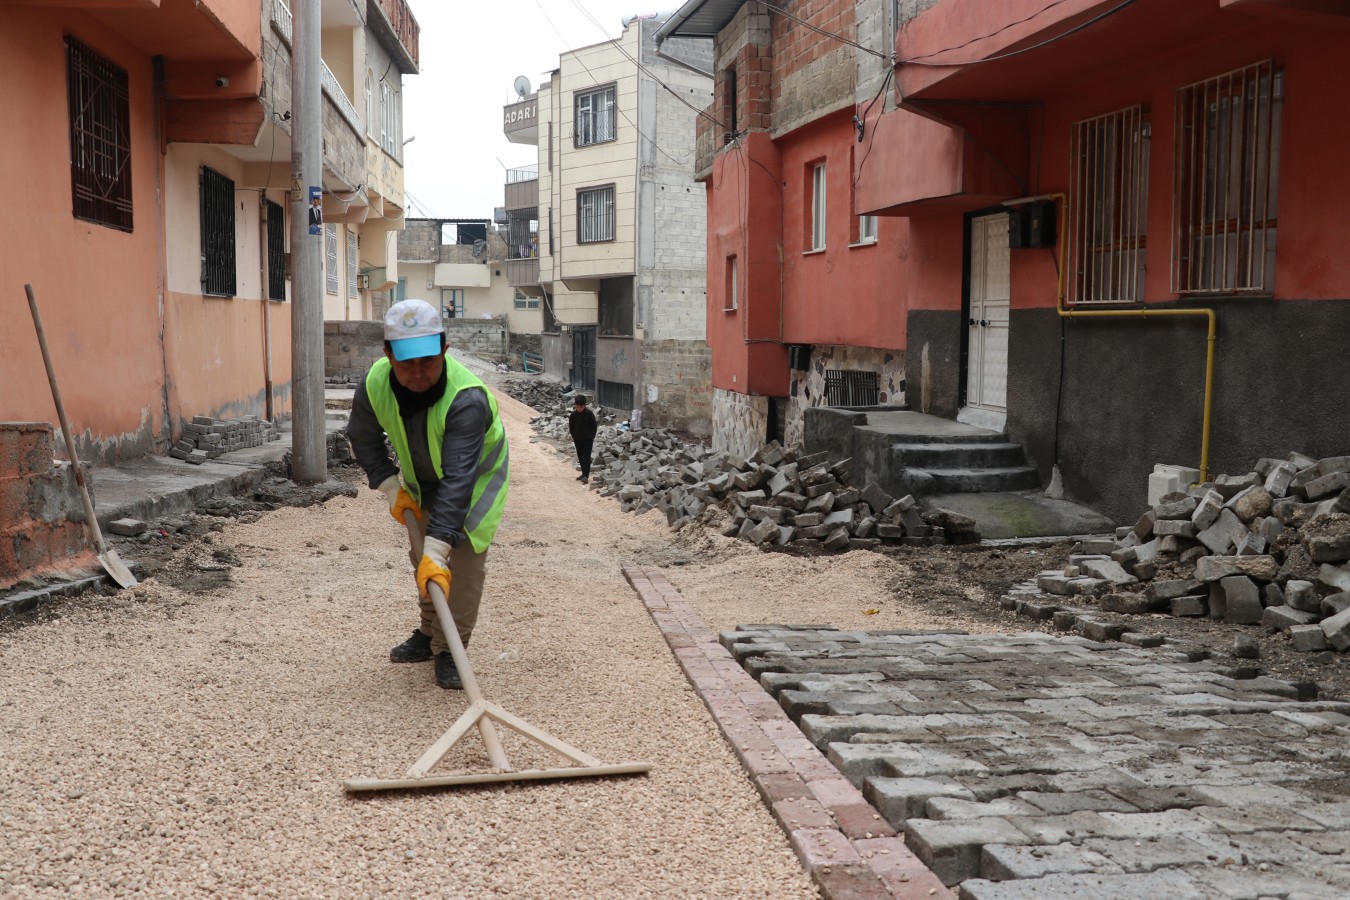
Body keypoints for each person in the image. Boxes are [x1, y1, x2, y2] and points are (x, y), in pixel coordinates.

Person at [346, 299, 510, 690]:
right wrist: (389, 485)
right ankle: (428, 631)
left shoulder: (466, 398)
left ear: (445, 351)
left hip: (474, 483)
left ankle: (451, 648)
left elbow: (458, 480)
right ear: (387, 355)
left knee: (462, 567)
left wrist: (441, 549)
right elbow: (362, 437)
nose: (418, 374)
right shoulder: (374, 384)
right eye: (406, 364)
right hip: (423, 481)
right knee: (423, 556)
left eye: (428, 362)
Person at [568, 394, 597, 483]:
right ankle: (583, 473)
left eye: (581, 407)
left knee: (586, 456)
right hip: (577, 439)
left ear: (584, 405)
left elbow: (594, 426)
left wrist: (592, 436)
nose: (579, 409)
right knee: (580, 456)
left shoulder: (589, 414)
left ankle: (586, 476)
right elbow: (571, 427)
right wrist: (573, 436)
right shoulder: (573, 415)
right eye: (577, 407)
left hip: (587, 440)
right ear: (575, 406)